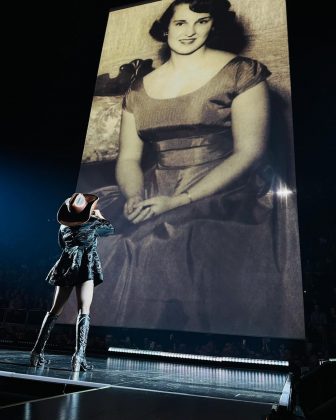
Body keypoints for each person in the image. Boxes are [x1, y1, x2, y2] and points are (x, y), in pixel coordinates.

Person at [80, 0, 301, 337]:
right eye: (181, 23)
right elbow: (127, 160)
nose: (190, 32)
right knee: (100, 240)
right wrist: (134, 195)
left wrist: (179, 200)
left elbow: (250, 153)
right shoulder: (138, 89)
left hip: (228, 187)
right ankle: (107, 343)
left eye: (202, 22)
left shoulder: (243, 71)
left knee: (171, 237)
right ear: (166, 27)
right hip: (155, 185)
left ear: (214, 26)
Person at [30, 193, 115, 371]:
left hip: (67, 264)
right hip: (86, 265)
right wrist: (99, 217)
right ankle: (78, 358)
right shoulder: (93, 223)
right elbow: (110, 229)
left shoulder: (63, 227)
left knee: (54, 310)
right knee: (84, 310)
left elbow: (63, 245)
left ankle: (37, 353)